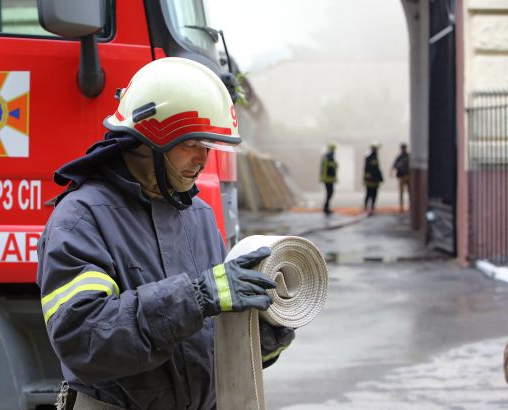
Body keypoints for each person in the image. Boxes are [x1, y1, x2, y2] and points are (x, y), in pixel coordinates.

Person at [36, 57, 295, 410]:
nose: (203, 158)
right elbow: (84, 339)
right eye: (191, 144)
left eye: (208, 146)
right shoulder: (80, 218)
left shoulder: (199, 216)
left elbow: (210, 345)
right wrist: (197, 297)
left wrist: (264, 336)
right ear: (147, 140)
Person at [363, 143, 383, 215]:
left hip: (375, 179)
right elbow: (367, 169)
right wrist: (367, 178)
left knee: (374, 194)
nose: (377, 151)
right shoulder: (369, 157)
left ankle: (372, 207)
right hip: (370, 180)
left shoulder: (375, 157)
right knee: (369, 193)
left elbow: (377, 169)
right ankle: (365, 207)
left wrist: (380, 177)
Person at [319, 143, 338, 215]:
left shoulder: (329, 156)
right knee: (329, 193)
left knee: (329, 193)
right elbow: (328, 168)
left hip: (329, 178)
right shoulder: (328, 156)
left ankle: (326, 207)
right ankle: (326, 208)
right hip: (328, 179)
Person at [391, 143, 410, 212]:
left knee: (409, 192)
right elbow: (394, 165)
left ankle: (410, 206)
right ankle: (401, 207)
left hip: (408, 176)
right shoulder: (399, 157)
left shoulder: (408, 156)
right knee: (401, 192)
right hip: (402, 176)